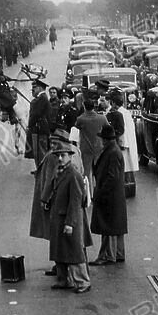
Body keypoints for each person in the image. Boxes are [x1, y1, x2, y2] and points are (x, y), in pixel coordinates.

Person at [47, 137, 93, 294]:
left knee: (74, 253)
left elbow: (75, 201)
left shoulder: (73, 174)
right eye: (58, 155)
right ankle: (64, 280)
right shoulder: (61, 171)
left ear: (70, 156)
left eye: (63, 155)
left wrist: (70, 223)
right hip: (59, 218)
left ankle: (83, 282)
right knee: (61, 252)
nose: (60, 158)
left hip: (68, 219)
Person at [30, 128, 66, 281]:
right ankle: (60, 265)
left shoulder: (52, 157)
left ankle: (60, 266)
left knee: (55, 235)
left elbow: (50, 180)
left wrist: (45, 199)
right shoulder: (61, 155)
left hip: (52, 202)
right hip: (59, 201)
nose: (51, 142)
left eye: (54, 140)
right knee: (57, 235)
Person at [90, 124, 127, 265]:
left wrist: (100, 192)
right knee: (116, 226)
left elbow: (112, 177)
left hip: (110, 195)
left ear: (105, 139)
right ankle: (118, 253)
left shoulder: (111, 152)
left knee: (108, 226)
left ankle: (107, 255)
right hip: (115, 195)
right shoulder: (114, 150)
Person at [74, 98, 108, 191]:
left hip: (86, 148)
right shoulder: (102, 118)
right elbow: (108, 128)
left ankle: (89, 193)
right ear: (94, 107)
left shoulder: (81, 119)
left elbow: (76, 127)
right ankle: (101, 190)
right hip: (99, 147)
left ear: (84, 107)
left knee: (87, 172)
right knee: (100, 171)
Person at [26, 79, 52, 171]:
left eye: (34, 88)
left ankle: (42, 170)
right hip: (39, 128)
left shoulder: (41, 98)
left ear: (40, 88)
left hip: (39, 129)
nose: (32, 90)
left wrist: (29, 125)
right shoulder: (42, 97)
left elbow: (35, 114)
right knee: (38, 151)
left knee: (40, 151)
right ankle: (40, 169)